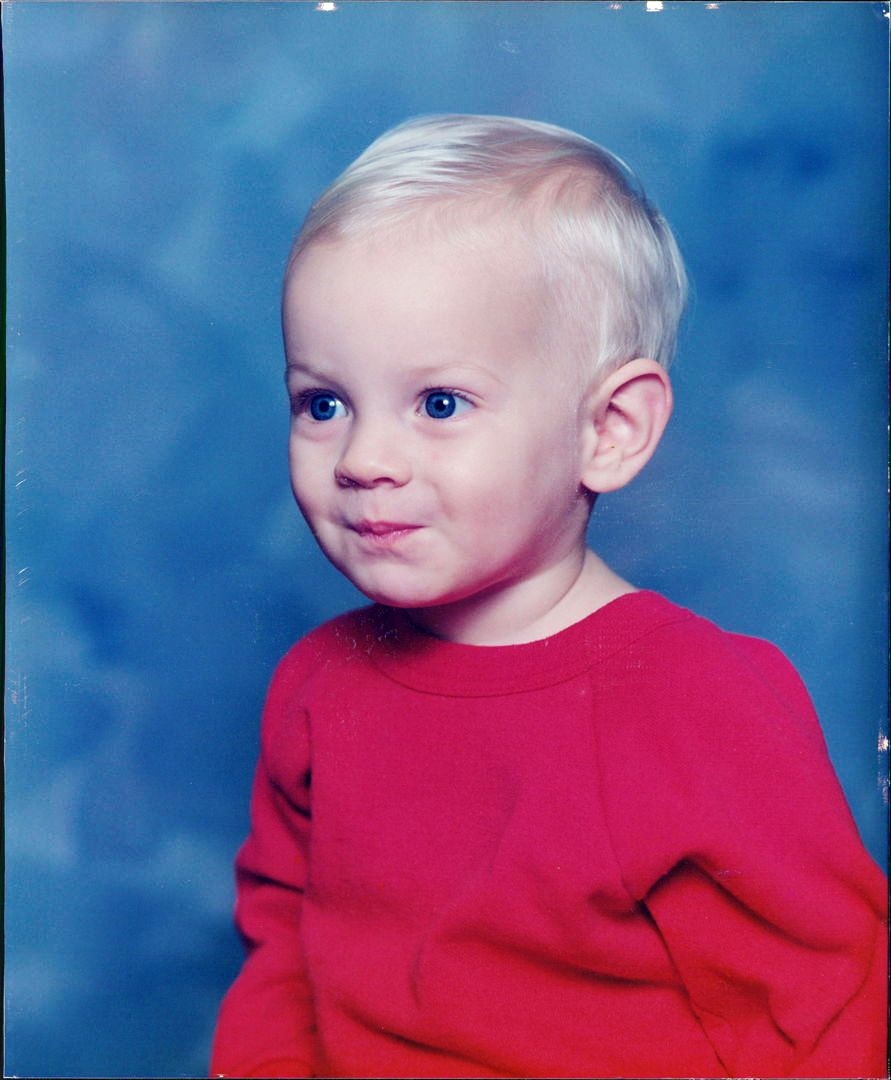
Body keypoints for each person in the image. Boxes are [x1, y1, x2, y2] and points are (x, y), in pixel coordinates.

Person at [210, 115, 887, 1079]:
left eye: (439, 404)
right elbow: (282, 949)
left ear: (608, 429)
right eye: (324, 403)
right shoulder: (317, 683)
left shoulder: (699, 701)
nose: (362, 458)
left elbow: (826, 1011)